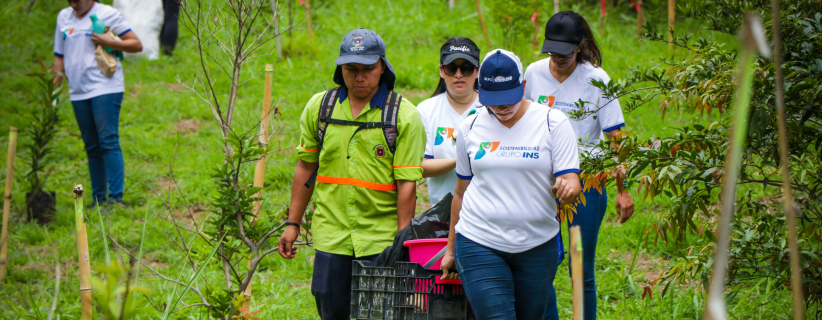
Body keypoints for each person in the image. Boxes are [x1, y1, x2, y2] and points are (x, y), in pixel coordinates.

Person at [277, 28, 426, 320]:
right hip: (332, 234)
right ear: (340, 68)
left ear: (383, 66)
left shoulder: (403, 116)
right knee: (330, 309)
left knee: (381, 314)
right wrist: (293, 223)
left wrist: (402, 240)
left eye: (368, 69)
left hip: (380, 239)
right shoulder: (320, 108)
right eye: (351, 69)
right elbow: (306, 167)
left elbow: (407, 183)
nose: (360, 77)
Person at [440, 49, 582, 320]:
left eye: (509, 99)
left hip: (537, 245)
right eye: (494, 100)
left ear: (523, 86)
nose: (502, 108)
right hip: (479, 240)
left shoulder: (552, 123)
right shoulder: (469, 127)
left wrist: (568, 190)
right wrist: (450, 249)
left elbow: (571, 180)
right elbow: (461, 191)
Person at [523, 11, 636, 320]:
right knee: (540, 262)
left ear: (580, 46)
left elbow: (616, 139)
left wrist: (623, 191)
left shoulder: (596, 79)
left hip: (586, 186)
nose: (557, 58)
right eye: (552, 51)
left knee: (578, 266)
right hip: (541, 184)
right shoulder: (532, 74)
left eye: (565, 52)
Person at [54, 0, 143, 207]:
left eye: (77, 0)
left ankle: (116, 199)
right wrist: (53, 93)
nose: (73, 4)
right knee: (92, 146)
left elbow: (136, 44)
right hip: (78, 91)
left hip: (106, 87)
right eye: (70, 0)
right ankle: (98, 199)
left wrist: (109, 41)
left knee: (108, 141)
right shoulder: (63, 17)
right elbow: (59, 57)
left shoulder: (107, 13)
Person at [417, 37, 483, 207]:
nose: (459, 74)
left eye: (466, 68)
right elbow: (419, 166)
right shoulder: (426, 110)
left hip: (484, 212)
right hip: (441, 214)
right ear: (441, 70)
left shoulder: (491, 109)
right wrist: (459, 160)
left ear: (478, 71)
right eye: (451, 68)